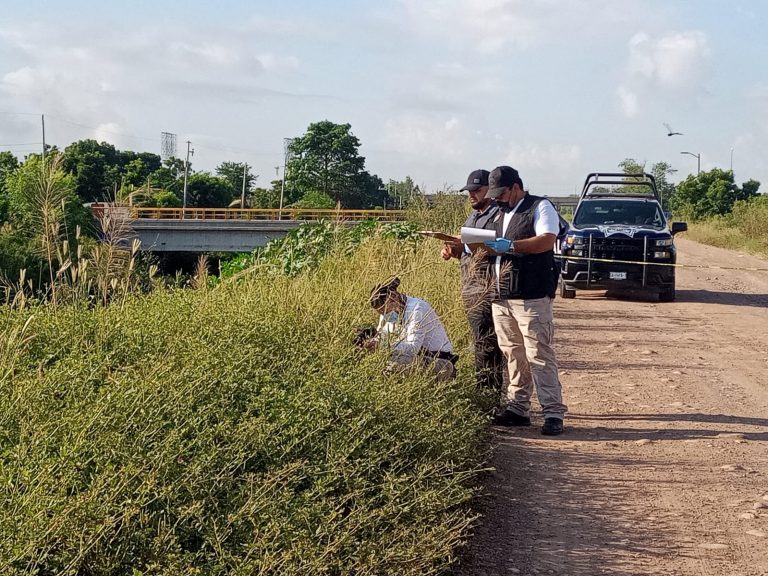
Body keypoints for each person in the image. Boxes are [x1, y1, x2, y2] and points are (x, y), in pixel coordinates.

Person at [482, 165, 567, 436]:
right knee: (512, 354)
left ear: (516, 187)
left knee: (539, 354)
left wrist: (513, 246)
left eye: (502, 193)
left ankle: (553, 412)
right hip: (501, 296)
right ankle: (517, 408)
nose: (497, 198)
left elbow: (546, 241)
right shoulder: (498, 212)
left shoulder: (540, 207)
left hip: (531, 297)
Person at [441, 169, 506, 391]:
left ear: (490, 189)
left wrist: (466, 242)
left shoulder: (499, 214)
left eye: (477, 190)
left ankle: (489, 393)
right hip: (470, 289)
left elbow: (497, 244)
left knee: (487, 344)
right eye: (469, 191)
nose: (472, 195)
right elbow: (472, 251)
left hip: (486, 289)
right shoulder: (474, 216)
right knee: (479, 341)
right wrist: (455, 250)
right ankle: (484, 389)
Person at [364, 277, 457, 381]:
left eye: (386, 312)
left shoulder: (417, 309)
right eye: (382, 314)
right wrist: (374, 343)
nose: (385, 316)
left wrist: (383, 345)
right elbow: (384, 337)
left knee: (393, 366)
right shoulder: (389, 311)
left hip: (440, 362)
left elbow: (413, 348)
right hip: (416, 358)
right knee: (371, 363)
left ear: (394, 297)